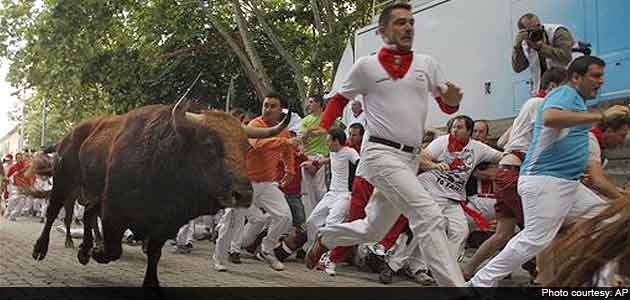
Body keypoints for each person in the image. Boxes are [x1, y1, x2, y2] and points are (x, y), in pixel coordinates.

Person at [305, 3, 466, 286]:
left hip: (410, 159)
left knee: (373, 229)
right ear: (382, 31)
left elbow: (448, 106)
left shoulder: (427, 64)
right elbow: (340, 99)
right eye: (400, 23)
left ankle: (327, 237)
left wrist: (453, 98)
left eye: (411, 23)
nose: (408, 28)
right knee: (427, 214)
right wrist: (324, 123)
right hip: (380, 153)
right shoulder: (366, 66)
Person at [468, 56, 630, 287]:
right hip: (546, 181)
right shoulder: (565, 94)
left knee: (612, 220)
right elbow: (550, 117)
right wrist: (600, 115)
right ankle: (478, 285)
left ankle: (606, 283)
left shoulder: (577, 103)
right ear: (576, 77)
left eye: (602, 76)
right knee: (535, 239)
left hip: (567, 183)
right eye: (595, 76)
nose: (601, 81)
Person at [463, 67, 569, 280]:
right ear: (552, 87)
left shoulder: (528, 107)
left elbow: (503, 141)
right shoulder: (541, 105)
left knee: (503, 234)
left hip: (506, 171)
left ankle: (468, 270)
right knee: (542, 231)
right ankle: (542, 281)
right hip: (515, 173)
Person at [239, 92, 298, 271]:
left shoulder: (284, 130)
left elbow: (288, 152)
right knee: (232, 222)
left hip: (267, 184)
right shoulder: (255, 124)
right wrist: (286, 142)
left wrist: (290, 170)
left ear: (281, 110)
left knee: (285, 217)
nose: (268, 109)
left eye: (273, 106)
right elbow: (258, 144)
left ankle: (267, 248)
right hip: (246, 183)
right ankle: (227, 250)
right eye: (266, 105)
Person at [305, 128, 359, 275]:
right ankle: (315, 251)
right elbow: (331, 159)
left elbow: (359, 163)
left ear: (336, 140)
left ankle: (329, 257)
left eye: (328, 140)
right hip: (331, 194)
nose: (326, 142)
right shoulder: (333, 152)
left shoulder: (350, 152)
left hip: (345, 195)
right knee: (311, 221)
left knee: (332, 223)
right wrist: (316, 163)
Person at [512, 13, 576, 96]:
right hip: (541, 90)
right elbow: (518, 67)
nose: (537, 31)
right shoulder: (524, 42)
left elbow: (566, 57)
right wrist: (517, 47)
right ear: (523, 32)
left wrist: (541, 48)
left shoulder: (557, 32)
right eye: (531, 30)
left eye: (538, 26)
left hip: (565, 86)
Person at [299, 94, 338, 209]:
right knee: (310, 189)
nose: (308, 105)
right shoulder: (305, 120)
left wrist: (313, 131)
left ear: (319, 103)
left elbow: (338, 131)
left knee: (320, 188)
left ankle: (324, 213)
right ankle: (314, 216)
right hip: (307, 157)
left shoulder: (328, 117)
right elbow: (302, 139)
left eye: (311, 102)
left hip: (321, 156)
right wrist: (309, 132)